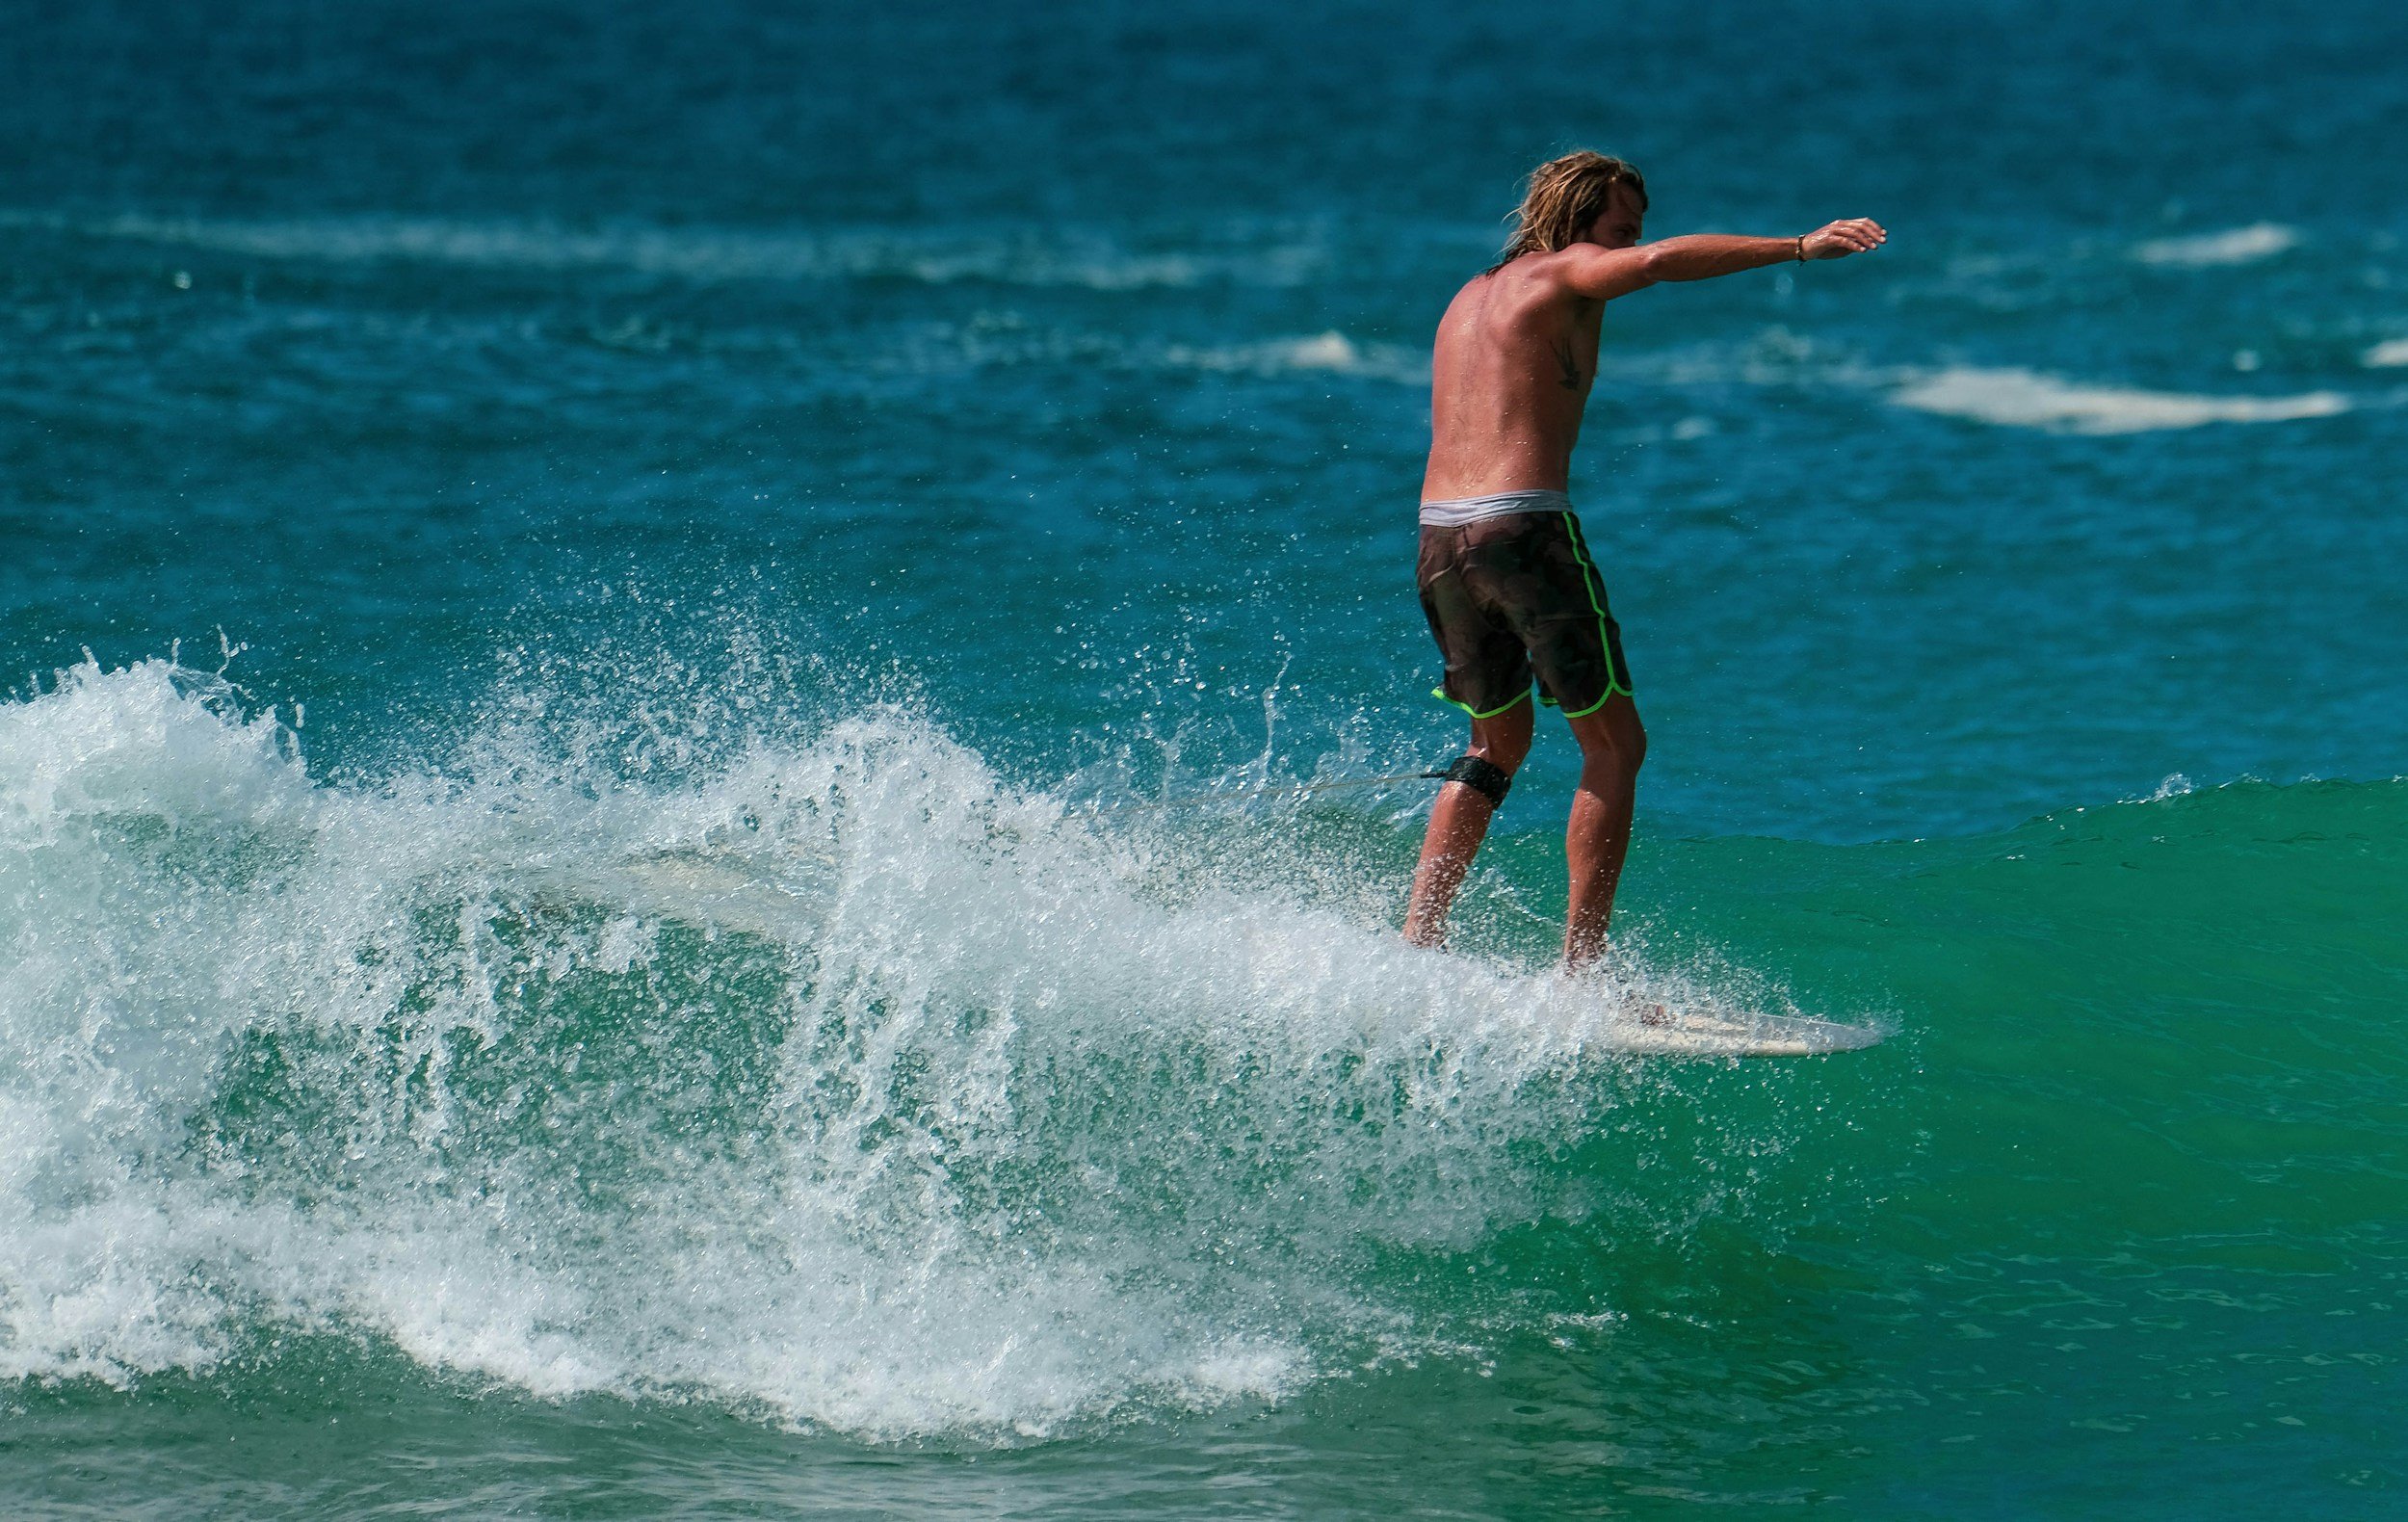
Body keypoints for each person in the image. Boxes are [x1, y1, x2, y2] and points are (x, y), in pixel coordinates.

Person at [1402, 150, 1884, 968]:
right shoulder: (1566, 271)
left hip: (1441, 538)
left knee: (1496, 746)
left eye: (1635, 227)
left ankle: (1418, 938)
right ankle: (1584, 973)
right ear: (1577, 218)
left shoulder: (1466, 300)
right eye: (1619, 225)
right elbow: (1658, 266)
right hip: (1521, 529)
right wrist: (1800, 247)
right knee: (1616, 747)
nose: (1632, 242)